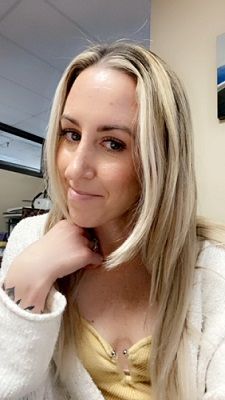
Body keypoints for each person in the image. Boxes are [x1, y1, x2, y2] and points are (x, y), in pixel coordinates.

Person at [0, 42, 225, 400]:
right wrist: (25, 284)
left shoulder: (213, 271)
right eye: (71, 135)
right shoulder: (31, 241)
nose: (75, 168)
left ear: (159, 160)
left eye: (113, 144)